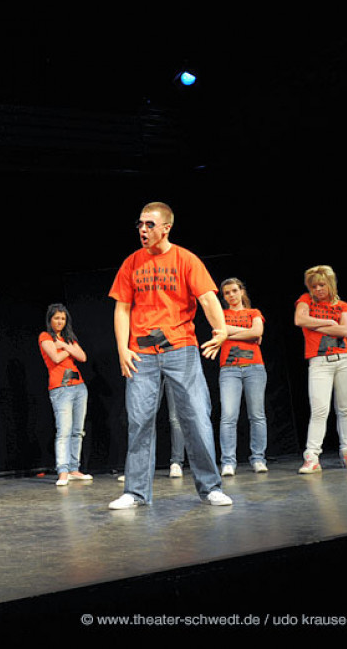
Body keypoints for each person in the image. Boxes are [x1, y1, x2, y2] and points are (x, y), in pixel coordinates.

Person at [107, 201, 232, 509]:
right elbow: (122, 309)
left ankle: (211, 487)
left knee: (196, 418)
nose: (143, 230)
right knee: (139, 421)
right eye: (140, 225)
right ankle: (135, 493)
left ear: (166, 228)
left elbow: (207, 298)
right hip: (141, 352)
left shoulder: (185, 259)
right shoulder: (131, 263)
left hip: (181, 348)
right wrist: (122, 348)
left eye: (150, 225)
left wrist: (222, 330)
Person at [294, 265, 347, 473]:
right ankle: (312, 456)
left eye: (322, 285)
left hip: (345, 360)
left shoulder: (343, 305)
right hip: (319, 362)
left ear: (330, 284)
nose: (318, 289)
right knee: (319, 410)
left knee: (345, 409)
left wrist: (315, 326)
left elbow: (345, 329)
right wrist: (329, 322)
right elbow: (299, 320)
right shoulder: (305, 300)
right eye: (314, 286)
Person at [218, 277, 268, 475]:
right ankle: (228, 462)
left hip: (254, 367)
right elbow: (221, 331)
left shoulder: (253, 312)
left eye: (234, 291)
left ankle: (258, 459)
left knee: (257, 415)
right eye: (227, 293)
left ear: (241, 292)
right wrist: (249, 334)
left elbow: (258, 331)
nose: (231, 295)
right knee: (228, 416)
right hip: (229, 369)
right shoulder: (221, 314)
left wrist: (229, 334)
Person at [38, 303, 92, 486]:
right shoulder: (45, 337)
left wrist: (63, 345)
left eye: (62, 318)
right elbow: (55, 357)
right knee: (64, 431)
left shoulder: (67, 338)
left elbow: (83, 357)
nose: (60, 321)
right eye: (56, 318)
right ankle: (62, 471)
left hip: (79, 386)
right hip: (60, 388)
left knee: (78, 431)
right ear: (50, 320)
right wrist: (68, 349)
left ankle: (74, 469)